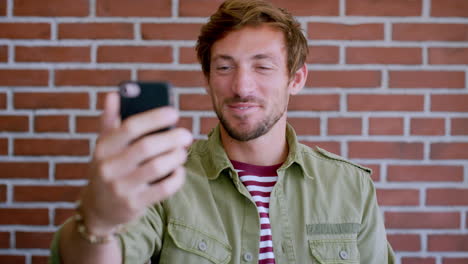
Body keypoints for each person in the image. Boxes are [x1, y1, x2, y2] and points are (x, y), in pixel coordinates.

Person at [49, 0, 395, 263]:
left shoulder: (351, 185)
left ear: (297, 78)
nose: (242, 86)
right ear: (207, 80)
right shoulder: (161, 179)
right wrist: (95, 223)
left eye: (262, 66)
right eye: (225, 67)